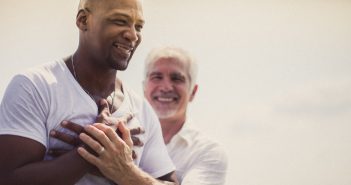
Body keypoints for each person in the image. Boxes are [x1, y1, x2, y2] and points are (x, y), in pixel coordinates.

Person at [0, 0, 178, 184]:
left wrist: (126, 171)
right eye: (119, 21)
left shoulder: (141, 110)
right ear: (83, 20)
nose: (133, 35)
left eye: (138, 26)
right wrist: (91, 152)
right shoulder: (35, 86)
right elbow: (7, 179)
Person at [143, 46, 228, 184]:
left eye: (176, 78)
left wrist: (124, 171)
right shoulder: (122, 137)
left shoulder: (208, 152)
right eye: (157, 77)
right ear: (144, 87)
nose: (165, 87)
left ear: (193, 92)